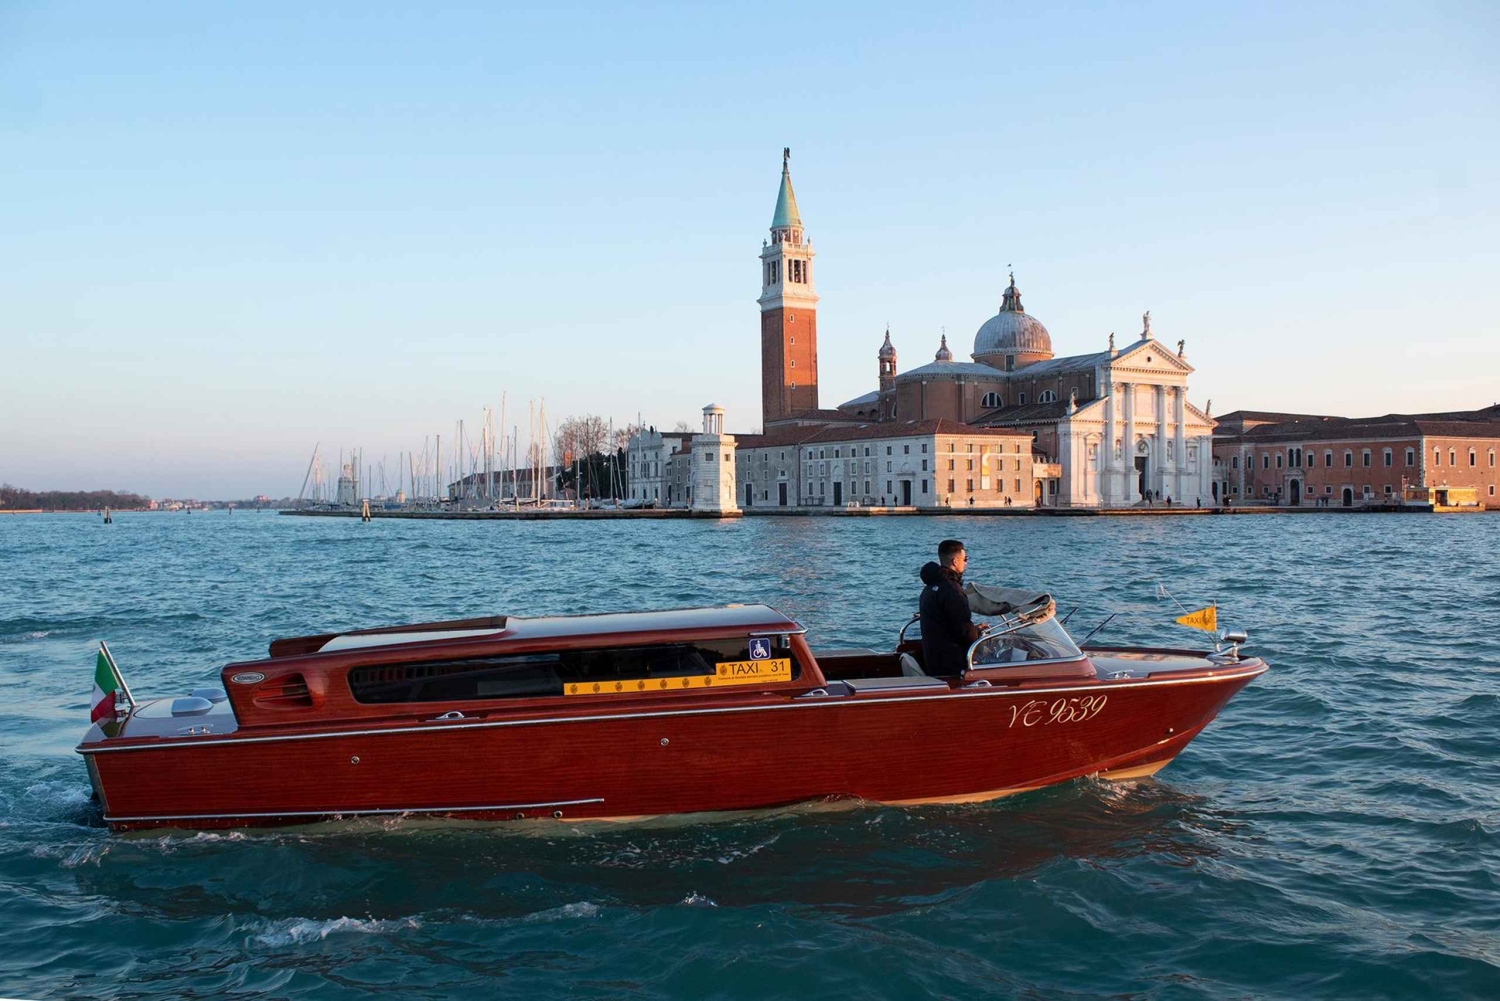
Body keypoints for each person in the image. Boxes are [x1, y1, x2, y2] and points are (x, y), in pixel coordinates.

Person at [918, 539, 982, 677]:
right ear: (955, 561)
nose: (966, 563)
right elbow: (964, 631)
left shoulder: (929, 588)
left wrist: (975, 629)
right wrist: (978, 635)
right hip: (951, 666)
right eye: (965, 559)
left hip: (934, 659)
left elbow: (947, 624)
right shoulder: (952, 590)